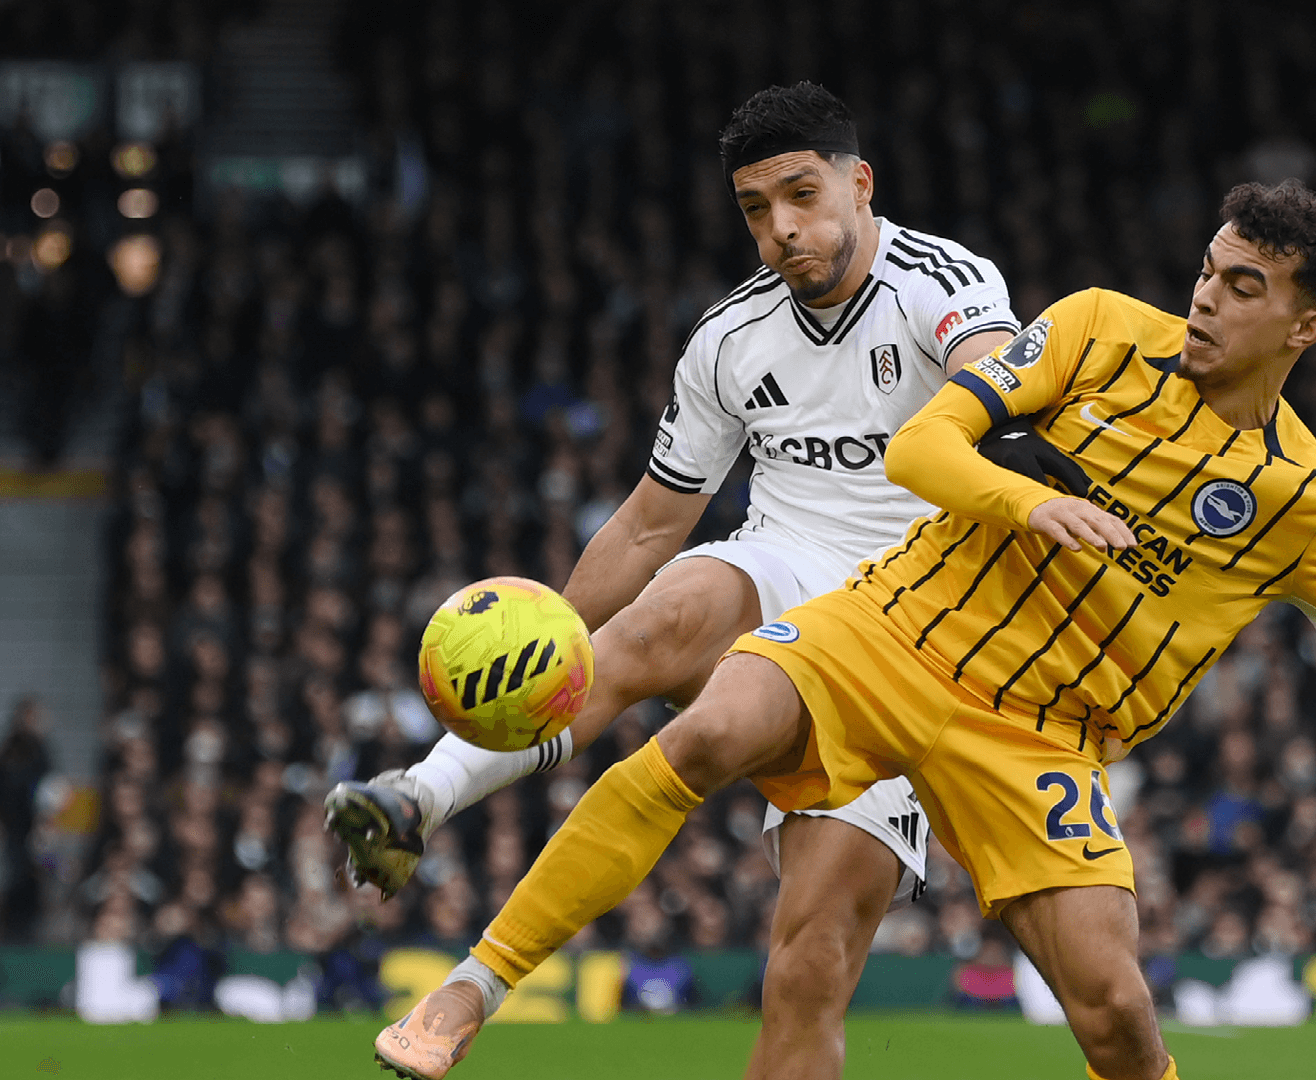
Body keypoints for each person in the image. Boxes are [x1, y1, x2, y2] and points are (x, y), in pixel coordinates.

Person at [377, 180, 1316, 1080]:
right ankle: (465, 997)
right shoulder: (1095, 331)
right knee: (707, 732)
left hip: (1042, 737)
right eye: (1209, 269)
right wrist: (1027, 503)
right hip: (895, 629)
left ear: (1307, 326)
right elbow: (923, 448)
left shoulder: (1313, 503)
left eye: (1245, 286)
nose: (1207, 296)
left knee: (1116, 1018)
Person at [344, 82, 1020, 1080]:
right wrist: (545, 640)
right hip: (783, 560)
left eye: (801, 195)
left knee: (807, 976)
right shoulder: (730, 337)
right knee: (655, 625)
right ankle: (419, 803)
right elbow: (650, 524)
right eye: (755, 208)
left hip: (914, 625)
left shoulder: (942, 283)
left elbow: (1002, 387)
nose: (781, 228)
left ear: (860, 183)